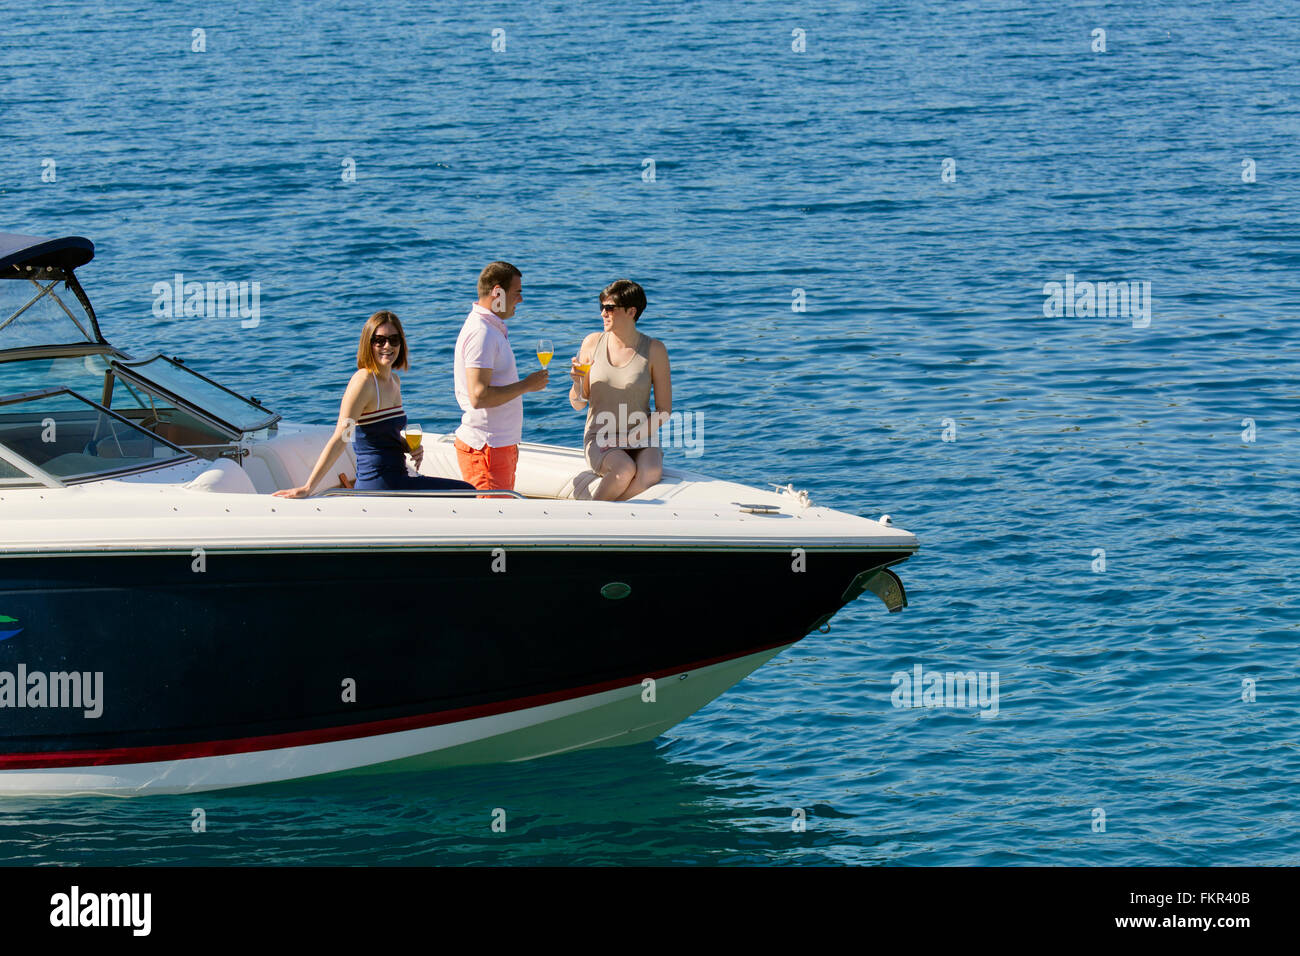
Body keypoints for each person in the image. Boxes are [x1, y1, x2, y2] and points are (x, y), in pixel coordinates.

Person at [274, 310, 473, 498]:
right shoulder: (364, 382)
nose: (388, 346)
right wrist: (308, 488)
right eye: (380, 340)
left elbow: (383, 436)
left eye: (394, 340)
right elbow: (342, 436)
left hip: (399, 478)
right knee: (467, 493)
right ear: (368, 344)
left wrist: (408, 447)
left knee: (467, 492)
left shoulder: (394, 381)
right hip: (379, 485)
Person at [569, 279, 671, 501]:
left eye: (609, 308)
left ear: (631, 311)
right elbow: (578, 404)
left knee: (651, 472)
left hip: (640, 436)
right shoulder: (592, 343)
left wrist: (629, 440)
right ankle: (589, 520)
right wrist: (577, 382)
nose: (603, 314)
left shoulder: (655, 350)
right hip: (600, 436)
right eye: (602, 308)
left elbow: (664, 410)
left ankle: (610, 518)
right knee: (623, 470)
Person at [452, 261, 548, 491]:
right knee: (493, 524)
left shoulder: (490, 328)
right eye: (517, 293)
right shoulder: (481, 333)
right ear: (497, 292)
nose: (521, 300)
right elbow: (478, 396)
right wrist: (526, 385)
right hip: (487, 449)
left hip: (497, 447)